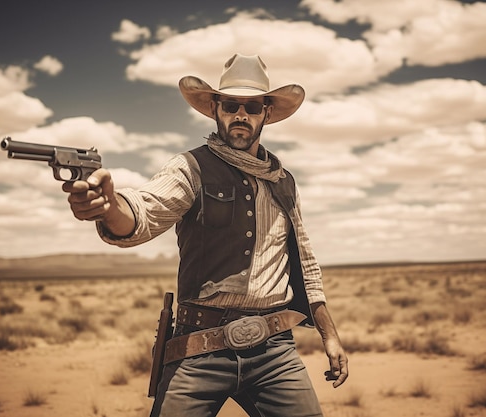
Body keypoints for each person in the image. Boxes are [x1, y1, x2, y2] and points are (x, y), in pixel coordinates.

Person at [63, 53, 348, 417]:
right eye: (231, 105)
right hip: (198, 351)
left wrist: (330, 336)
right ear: (216, 108)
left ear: (267, 113)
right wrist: (109, 207)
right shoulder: (191, 168)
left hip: (275, 352)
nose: (241, 114)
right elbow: (144, 210)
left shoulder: (284, 181)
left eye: (252, 106)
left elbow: (306, 264)